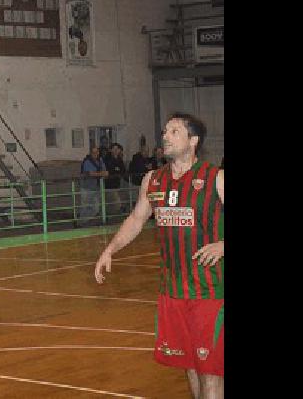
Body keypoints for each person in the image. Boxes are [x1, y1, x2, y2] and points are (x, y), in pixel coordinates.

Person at [95, 113, 224, 398]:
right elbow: (137, 219)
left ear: (193, 141)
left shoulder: (216, 178)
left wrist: (223, 245)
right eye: (165, 131)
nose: (165, 136)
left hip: (211, 291)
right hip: (173, 290)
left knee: (210, 372)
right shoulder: (153, 180)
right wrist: (110, 249)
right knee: (189, 366)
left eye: (174, 132)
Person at [78, 146, 108, 222]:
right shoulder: (87, 161)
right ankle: (81, 222)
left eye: (97, 152)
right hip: (87, 187)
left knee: (96, 207)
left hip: (96, 187)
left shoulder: (100, 160)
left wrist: (100, 174)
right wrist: (101, 173)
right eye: (93, 152)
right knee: (86, 206)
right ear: (90, 153)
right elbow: (91, 174)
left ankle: (85, 221)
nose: (95, 154)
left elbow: (106, 173)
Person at [103, 143, 128, 214]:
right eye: (114, 149)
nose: (116, 151)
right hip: (109, 185)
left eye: (117, 149)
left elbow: (123, 170)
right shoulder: (107, 159)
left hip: (117, 184)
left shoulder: (119, 159)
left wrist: (117, 170)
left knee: (116, 201)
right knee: (115, 202)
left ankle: (110, 216)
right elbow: (109, 171)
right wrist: (117, 170)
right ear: (110, 150)